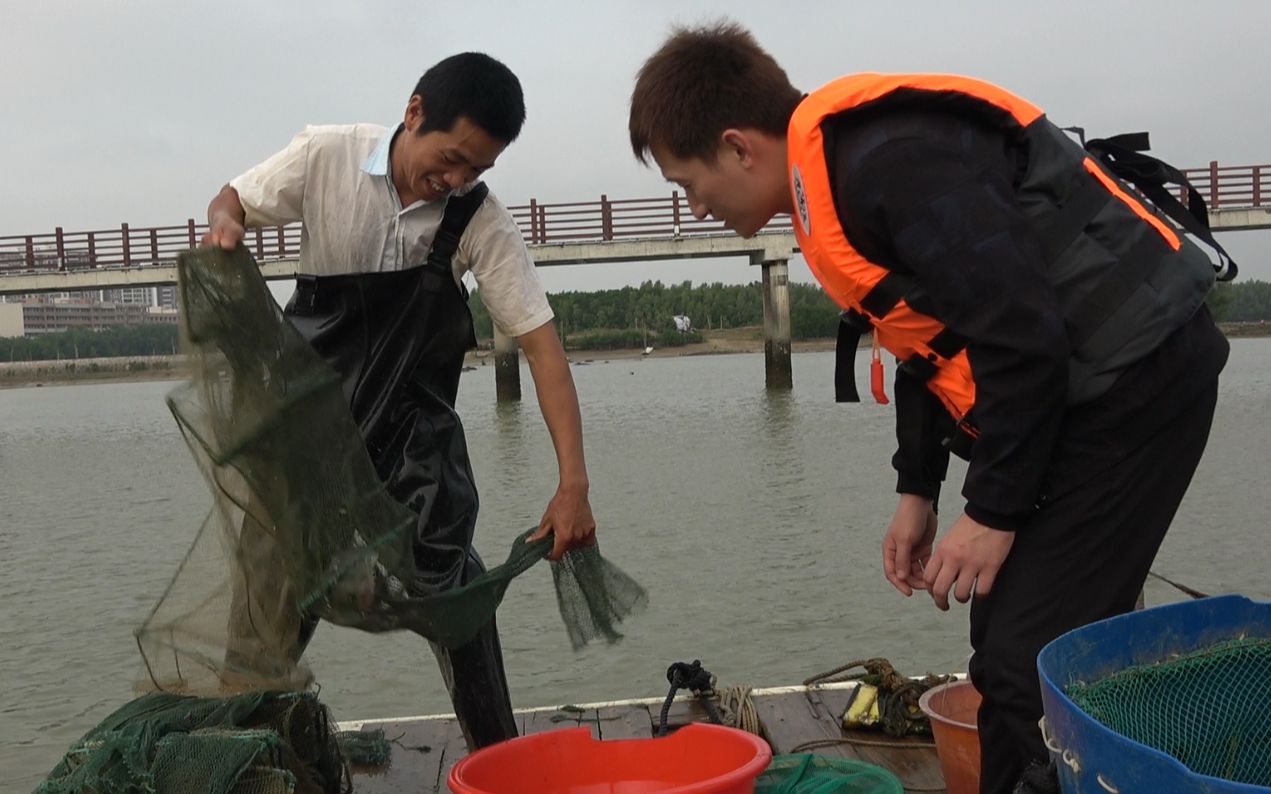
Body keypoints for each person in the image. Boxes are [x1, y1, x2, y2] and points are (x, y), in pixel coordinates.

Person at [629, 22, 1231, 793]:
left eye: (687, 184)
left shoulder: (892, 164)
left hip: (1139, 388)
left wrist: (992, 512)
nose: (696, 208)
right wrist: (917, 489)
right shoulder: (835, 178)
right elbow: (928, 343)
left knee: (1025, 660)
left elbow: (1022, 335)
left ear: (738, 147)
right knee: (1006, 637)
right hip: (1073, 398)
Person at [202, 52, 597, 750]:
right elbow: (232, 198)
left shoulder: (476, 217)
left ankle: (496, 757)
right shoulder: (326, 155)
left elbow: (541, 345)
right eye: (449, 159)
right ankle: (247, 756)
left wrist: (573, 483)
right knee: (269, 605)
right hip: (307, 424)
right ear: (414, 112)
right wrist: (225, 225)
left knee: (456, 594)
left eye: (477, 169)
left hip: (411, 438)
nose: (456, 179)